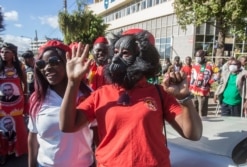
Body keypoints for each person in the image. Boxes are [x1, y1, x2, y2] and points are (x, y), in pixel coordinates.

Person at [59, 29, 202, 167]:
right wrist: (73, 83)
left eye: (125, 53)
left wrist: (184, 98)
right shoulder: (101, 94)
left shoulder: (159, 93)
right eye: (115, 52)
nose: (115, 58)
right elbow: (67, 126)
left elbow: (193, 134)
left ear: (143, 57)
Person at [27, 40, 95, 167]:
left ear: (67, 62)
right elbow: (33, 136)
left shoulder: (88, 94)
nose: (47, 68)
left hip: (84, 164)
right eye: (42, 64)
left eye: (53, 62)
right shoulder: (37, 99)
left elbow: (97, 133)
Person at [0, 42, 28, 165]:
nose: (3, 54)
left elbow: (25, 83)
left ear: (13, 54)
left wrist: (25, 96)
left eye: (6, 52)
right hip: (1, 104)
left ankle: (19, 150)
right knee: (2, 127)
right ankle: (3, 152)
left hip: (17, 103)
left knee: (18, 126)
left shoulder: (20, 67)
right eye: (1, 52)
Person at [189, 50, 215, 117]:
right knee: (194, 110)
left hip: (203, 91)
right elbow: (192, 77)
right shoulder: (194, 65)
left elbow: (218, 74)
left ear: (203, 56)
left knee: (202, 111)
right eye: (196, 56)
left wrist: (209, 82)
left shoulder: (210, 65)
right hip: (193, 91)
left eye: (199, 56)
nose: (197, 58)